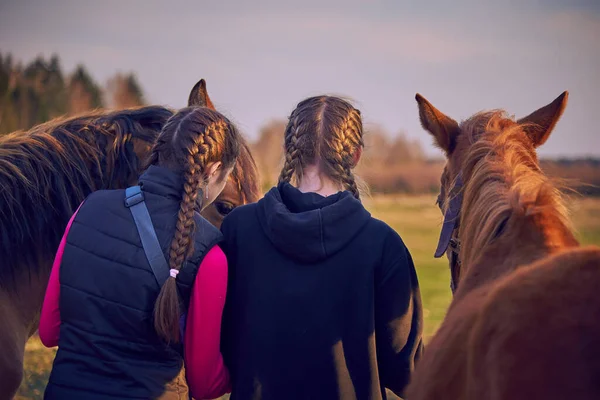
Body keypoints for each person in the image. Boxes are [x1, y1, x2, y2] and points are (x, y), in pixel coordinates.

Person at [220, 95, 424, 400]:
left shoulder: (238, 229)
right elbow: (407, 371)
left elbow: (220, 341)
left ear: (288, 150)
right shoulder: (383, 244)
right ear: (355, 156)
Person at [39, 106, 241, 399]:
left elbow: (49, 331)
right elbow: (204, 383)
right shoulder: (209, 254)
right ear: (212, 170)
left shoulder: (88, 207)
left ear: (160, 150)